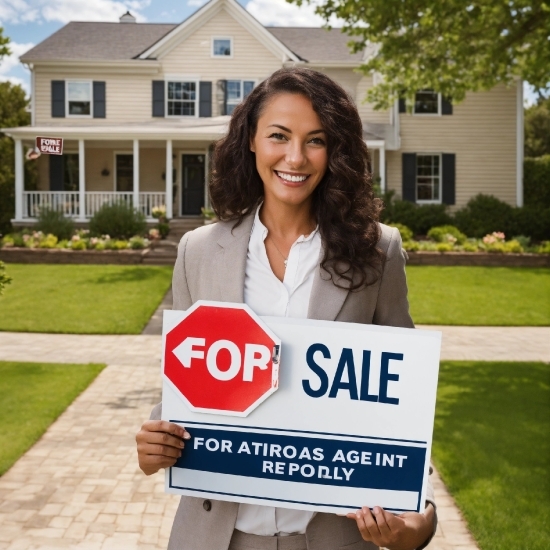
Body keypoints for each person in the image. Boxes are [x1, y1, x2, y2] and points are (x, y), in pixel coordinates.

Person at [136, 67, 436, 550]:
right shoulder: (197, 250)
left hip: (331, 538)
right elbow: (185, 391)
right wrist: (156, 443)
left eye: (315, 140)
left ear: (334, 150)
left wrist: (420, 519)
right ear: (251, 140)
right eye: (279, 136)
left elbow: (402, 404)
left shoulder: (377, 251)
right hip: (217, 537)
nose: (295, 157)